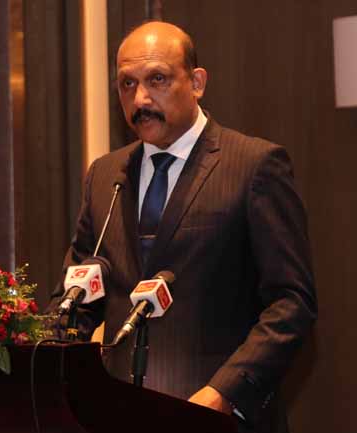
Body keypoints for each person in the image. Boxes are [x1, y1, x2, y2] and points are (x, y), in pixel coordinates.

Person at [50, 21, 317, 433]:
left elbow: (291, 304)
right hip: (121, 415)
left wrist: (222, 394)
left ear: (196, 82)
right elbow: (78, 296)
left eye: (156, 79)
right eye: (126, 84)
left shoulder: (254, 166)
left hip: (217, 417)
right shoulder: (105, 175)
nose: (140, 98)